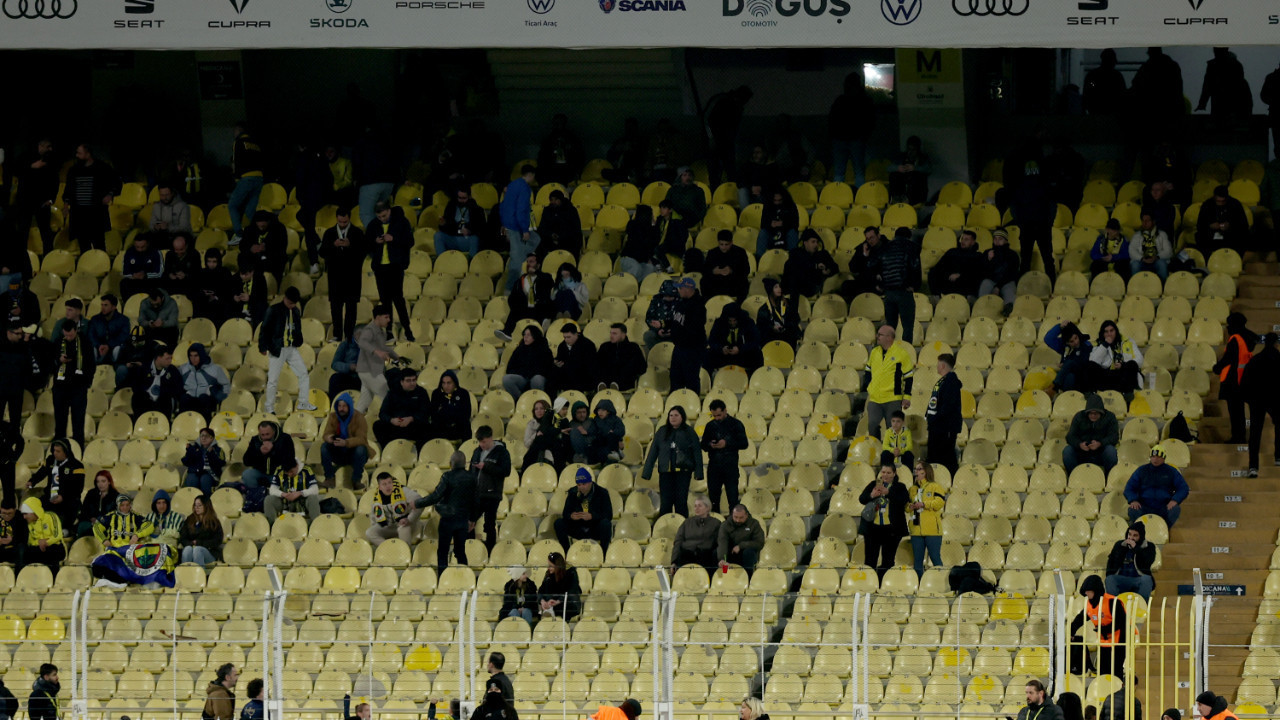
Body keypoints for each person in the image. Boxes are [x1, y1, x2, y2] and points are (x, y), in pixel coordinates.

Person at [416, 452, 475, 572]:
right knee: (460, 551)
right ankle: (465, 576)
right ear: (465, 463)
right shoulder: (472, 477)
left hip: (448, 520)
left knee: (443, 552)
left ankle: (442, 577)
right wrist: (473, 519)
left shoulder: (447, 476)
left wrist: (417, 503)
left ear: (451, 464)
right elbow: (476, 500)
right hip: (463, 519)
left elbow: (435, 497)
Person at [259, 287, 315, 415]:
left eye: (294, 304)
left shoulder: (295, 311)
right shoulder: (273, 310)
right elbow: (265, 329)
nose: (291, 306)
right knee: (273, 380)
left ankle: (303, 401)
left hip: (291, 348)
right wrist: (263, 347)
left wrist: (298, 341)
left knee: (303, 373)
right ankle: (269, 407)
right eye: (290, 303)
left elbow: (298, 328)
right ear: (285, 298)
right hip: (277, 348)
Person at [642, 406, 703, 518]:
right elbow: (653, 452)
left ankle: (682, 529)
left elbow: (697, 453)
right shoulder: (661, 432)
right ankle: (664, 529)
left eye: (676, 415)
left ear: (682, 417)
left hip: (683, 473)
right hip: (665, 473)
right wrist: (647, 472)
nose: (673, 418)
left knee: (681, 502)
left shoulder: (689, 432)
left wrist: (699, 473)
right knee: (665, 503)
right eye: (671, 415)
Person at [366, 201, 415, 341]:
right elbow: (367, 244)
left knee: (398, 299)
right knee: (385, 301)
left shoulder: (401, 221)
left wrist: (393, 239)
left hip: (396, 266)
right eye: (380, 217)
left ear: (389, 210)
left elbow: (410, 241)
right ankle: (388, 332)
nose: (382, 219)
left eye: (384, 215)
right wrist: (375, 242)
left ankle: (407, 330)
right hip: (380, 267)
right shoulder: (373, 225)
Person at [62, 143, 119, 253]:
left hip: (96, 214)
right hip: (79, 215)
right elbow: (68, 190)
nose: (77, 156)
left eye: (79, 153)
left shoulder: (102, 167)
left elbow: (116, 182)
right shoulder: (74, 170)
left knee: (99, 246)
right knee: (84, 247)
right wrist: (65, 206)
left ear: (88, 154)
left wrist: (109, 195)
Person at [320, 207, 366, 343]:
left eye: (345, 222)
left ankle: (349, 335)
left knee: (351, 307)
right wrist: (333, 245)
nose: (342, 224)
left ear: (349, 219)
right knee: (336, 307)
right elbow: (322, 252)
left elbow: (363, 252)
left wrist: (350, 245)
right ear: (336, 219)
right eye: (340, 222)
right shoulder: (329, 233)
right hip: (335, 276)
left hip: (352, 276)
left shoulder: (357, 233)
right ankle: (337, 335)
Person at [1070, 575, 1129, 676]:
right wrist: (1071, 631)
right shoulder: (1089, 605)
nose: (1086, 594)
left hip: (1119, 642)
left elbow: (1122, 621)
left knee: (1116, 671)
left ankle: (1118, 690)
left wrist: (1106, 629)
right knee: (1103, 671)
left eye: (1089, 591)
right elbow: (1080, 619)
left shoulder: (1113, 602)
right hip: (1104, 641)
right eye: (1086, 591)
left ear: (1096, 591)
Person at [859, 462, 909, 579]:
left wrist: (889, 493)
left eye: (888, 473)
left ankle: (883, 584)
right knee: (870, 559)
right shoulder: (873, 484)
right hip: (873, 528)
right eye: (883, 472)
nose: (885, 475)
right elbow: (862, 499)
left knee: (888, 560)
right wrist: (871, 495)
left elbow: (904, 500)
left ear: (894, 474)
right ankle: (870, 584)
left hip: (891, 530)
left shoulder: (900, 486)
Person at [863, 325, 914, 440]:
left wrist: (907, 397)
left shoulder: (901, 354)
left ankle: (892, 456)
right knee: (872, 425)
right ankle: (876, 451)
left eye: (880, 334)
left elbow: (908, 377)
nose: (877, 336)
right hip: (875, 399)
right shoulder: (874, 352)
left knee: (893, 430)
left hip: (893, 399)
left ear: (889, 338)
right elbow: (867, 370)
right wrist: (869, 386)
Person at [1214, 312, 1258, 444]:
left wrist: (1217, 367)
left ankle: (1237, 437)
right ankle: (1240, 435)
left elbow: (1229, 359)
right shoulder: (1249, 337)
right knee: (1239, 410)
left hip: (1233, 380)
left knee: (1235, 411)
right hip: (1244, 378)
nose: (1228, 327)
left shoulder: (1235, 338)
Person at [12, 138, 59, 255]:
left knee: (46, 233)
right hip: (25, 201)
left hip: (43, 202)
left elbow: (55, 181)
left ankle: (48, 258)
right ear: (41, 146)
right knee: (23, 231)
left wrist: (50, 199)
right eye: (48, 146)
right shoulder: (25, 157)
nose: (50, 149)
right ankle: (20, 257)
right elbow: (15, 170)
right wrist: (31, 167)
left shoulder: (51, 160)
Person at [27, 439, 84, 533]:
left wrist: (63, 497)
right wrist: (32, 482)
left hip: (68, 499)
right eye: (54, 450)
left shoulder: (77, 466)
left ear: (66, 452)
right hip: (50, 496)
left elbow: (78, 488)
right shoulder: (50, 460)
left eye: (58, 451)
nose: (55, 453)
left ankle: (66, 529)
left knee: (72, 506)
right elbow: (42, 473)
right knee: (34, 507)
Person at [1243, 332, 1280, 477]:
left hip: (1257, 401)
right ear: (1276, 344)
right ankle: (1278, 457)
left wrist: (1250, 400)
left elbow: (1245, 382)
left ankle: (1253, 466)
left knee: (1255, 433)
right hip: (1276, 400)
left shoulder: (1255, 360)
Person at [829, 71, 876, 185]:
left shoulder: (840, 100)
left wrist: (835, 135)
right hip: (856, 139)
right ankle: (859, 197)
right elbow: (870, 120)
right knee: (859, 171)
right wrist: (864, 136)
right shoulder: (865, 100)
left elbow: (832, 119)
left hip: (840, 139)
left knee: (839, 172)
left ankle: (838, 197)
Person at [51, 321, 93, 447]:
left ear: (76, 330)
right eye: (66, 335)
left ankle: (78, 449)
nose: (68, 337)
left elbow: (91, 364)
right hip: (60, 388)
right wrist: (59, 360)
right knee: (60, 422)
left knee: (78, 423)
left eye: (70, 335)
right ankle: (58, 450)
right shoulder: (58, 342)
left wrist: (86, 383)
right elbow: (50, 364)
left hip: (78, 387)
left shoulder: (85, 342)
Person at [1125, 444, 1188, 527]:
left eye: (1158, 457)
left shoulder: (1171, 471)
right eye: (1153, 456)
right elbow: (1129, 488)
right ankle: (1140, 529)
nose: (1155, 459)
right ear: (1150, 457)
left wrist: (1175, 500)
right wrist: (1133, 500)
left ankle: (1165, 529)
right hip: (1144, 505)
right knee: (1132, 509)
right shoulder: (1141, 470)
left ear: (1164, 458)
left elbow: (1183, 488)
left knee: (1175, 509)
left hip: (1164, 506)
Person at [876, 227, 922, 343]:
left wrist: (881, 285)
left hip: (889, 293)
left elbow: (874, 265)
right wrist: (915, 285)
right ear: (909, 236)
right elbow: (916, 267)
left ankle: (887, 354)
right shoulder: (912, 247)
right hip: (904, 292)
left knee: (890, 327)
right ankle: (906, 353)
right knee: (907, 327)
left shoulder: (885, 247)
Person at [701, 400, 748, 513]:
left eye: (719, 415)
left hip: (730, 466)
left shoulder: (736, 424)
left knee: (733, 500)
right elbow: (703, 444)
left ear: (725, 410)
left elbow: (744, 443)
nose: (716, 418)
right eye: (714, 415)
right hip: (714, 467)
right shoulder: (710, 426)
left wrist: (727, 443)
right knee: (713, 501)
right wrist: (710, 445)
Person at [471, 426, 511, 552]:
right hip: (477, 493)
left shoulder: (502, 452)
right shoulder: (476, 452)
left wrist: (486, 466)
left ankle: (490, 551)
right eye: (480, 442)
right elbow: (471, 472)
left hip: (492, 493)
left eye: (484, 442)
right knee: (469, 521)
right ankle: (471, 548)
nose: (482, 445)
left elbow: (506, 471)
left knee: (489, 524)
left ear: (490, 438)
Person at [553, 467, 612, 552]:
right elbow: (565, 513)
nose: (581, 487)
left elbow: (608, 514)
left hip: (594, 527)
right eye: (579, 485)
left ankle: (603, 553)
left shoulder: (602, 493)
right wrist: (571, 516)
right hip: (578, 527)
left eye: (584, 484)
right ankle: (567, 551)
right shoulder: (573, 492)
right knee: (558, 523)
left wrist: (592, 516)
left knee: (606, 524)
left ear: (590, 482)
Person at [500, 166, 540, 292]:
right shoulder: (524, 188)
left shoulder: (512, 185)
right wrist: (525, 230)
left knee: (536, 238)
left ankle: (519, 255)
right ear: (531, 175)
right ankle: (509, 290)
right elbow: (521, 210)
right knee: (516, 261)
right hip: (516, 226)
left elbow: (503, 206)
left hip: (509, 224)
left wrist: (504, 226)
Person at [353, 305, 398, 414]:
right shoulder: (369, 329)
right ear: (378, 317)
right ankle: (393, 424)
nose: (389, 320)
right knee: (387, 398)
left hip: (368, 371)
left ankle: (351, 425)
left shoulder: (380, 331)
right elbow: (363, 343)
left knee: (363, 403)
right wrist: (377, 352)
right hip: (370, 371)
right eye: (386, 317)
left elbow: (383, 347)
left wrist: (397, 356)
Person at [497, 253, 554, 340]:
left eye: (531, 262)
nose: (528, 264)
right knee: (515, 310)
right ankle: (507, 333)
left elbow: (550, 283)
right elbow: (512, 297)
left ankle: (539, 334)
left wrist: (536, 273)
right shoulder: (521, 280)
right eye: (527, 262)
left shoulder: (545, 277)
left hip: (539, 308)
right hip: (524, 308)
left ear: (538, 265)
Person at [321, 393, 369, 491]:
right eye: (339, 406)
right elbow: (325, 434)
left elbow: (361, 439)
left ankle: (356, 480)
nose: (341, 409)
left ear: (349, 407)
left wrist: (346, 442)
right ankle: (329, 478)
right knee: (324, 447)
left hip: (353, 452)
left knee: (361, 449)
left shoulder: (359, 417)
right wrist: (329, 438)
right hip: (338, 450)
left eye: (344, 406)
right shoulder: (333, 416)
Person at [924, 353, 963, 474]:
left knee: (946, 457)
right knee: (936, 457)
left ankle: (951, 479)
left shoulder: (950, 382)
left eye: (938, 364)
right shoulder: (944, 381)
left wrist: (934, 418)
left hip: (944, 428)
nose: (936, 366)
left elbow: (947, 406)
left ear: (942, 365)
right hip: (938, 427)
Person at [374, 368, 431, 448]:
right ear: (401, 382)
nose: (412, 383)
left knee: (427, 428)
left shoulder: (421, 392)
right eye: (408, 380)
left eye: (414, 380)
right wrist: (391, 420)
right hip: (396, 426)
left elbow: (426, 412)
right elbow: (382, 413)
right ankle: (388, 449)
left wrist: (411, 418)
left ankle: (417, 454)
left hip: (413, 426)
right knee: (378, 425)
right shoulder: (392, 393)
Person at [1063, 394, 1119, 474]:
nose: (1093, 415)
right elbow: (1070, 436)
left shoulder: (1110, 417)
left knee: (1111, 451)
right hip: (1082, 452)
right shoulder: (1079, 416)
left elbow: (1114, 437)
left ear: (1101, 412)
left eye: (1096, 413)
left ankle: (1109, 478)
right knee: (1067, 451)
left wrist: (1100, 444)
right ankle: (1073, 477)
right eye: (1090, 413)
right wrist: (1079, 444)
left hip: (1101, 452)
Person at [907, 460, 945, 577]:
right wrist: (910, 507)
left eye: (919, 469)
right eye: (916, 469)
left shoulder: (935, 486)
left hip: (932, 530)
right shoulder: (912, 489)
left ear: (926, 471)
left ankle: (941, 582)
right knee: (917, 561)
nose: (916, 472)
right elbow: (906, 507)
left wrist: (924, 504)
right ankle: (919, 585)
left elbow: (939, 503)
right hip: (916, 529)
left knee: (935, 558)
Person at [365, 472, 423, 547]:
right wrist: (375, 525)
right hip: (389, 525)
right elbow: (373, 515)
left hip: (406, 524)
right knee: (370, 532)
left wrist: (409, 519)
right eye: (384, 484)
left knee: (403, 529)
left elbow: (419, 502)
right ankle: (390, 549)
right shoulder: (377, 497)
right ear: (379, 487)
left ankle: (404, 552)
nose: (388, 486)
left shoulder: (402, 490)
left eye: (389, 483)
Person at [670, 278, 707, 393]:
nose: (678, 290)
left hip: (692, 349)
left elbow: (693, 329)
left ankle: (692, 404)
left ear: (687, 289)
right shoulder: (681, 302)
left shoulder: (698, 306)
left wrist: (679, 335)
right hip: (679, 347)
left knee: (691, 379)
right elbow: (676, 321)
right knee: (675, 378)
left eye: (680, 288)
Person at [1105, 521, 1156, 601]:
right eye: (1129, 534)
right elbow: (1111, 562)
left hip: (1138, 580)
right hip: (1121, 579)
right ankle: (1114, 607)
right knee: (1109, 579)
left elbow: (1147, 562)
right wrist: (1122, 548)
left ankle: (1141, 607)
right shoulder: (1119, 545)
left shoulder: (1149, 546)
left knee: (1147, 579)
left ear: (1141, 536)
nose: (1131, 538)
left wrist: (1136, 548)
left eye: (1135, 535)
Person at [706, 302, 763, 373]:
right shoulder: (719, 323)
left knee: (757, 354)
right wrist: (721, 349)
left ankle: (754, 377)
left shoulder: (748, 322)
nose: (732, 323)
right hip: (725, 354)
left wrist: (740, 349)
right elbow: (712, 341)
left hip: (742, 354)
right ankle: (709, 379)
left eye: (734, 320)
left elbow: (755, 341)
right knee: (707, 354)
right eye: (730, 321)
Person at [128, 345, 182, 419]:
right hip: (146, 401)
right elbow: (135, 387)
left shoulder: (173, 371)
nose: (170, 361)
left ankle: (164, 424)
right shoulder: (144, 368)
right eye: (167, 358)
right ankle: (139, 422)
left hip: (162, 402)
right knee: (138, 397)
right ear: (158, 358)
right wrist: (146, 396)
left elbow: (178, 388)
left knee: (166, 399)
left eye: (171, 358)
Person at [1196, 47, 1252, 119]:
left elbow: (1207, 86)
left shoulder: (1212, 66)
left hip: (1223, 104)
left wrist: (1202, 103)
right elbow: (1207, 86)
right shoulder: (1236, 65)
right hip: (1228, 105)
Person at [1090, 321, 1144, 395]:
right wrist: (1105, 345)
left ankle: (1128, 395)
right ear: (1103, 334)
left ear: (1116, 331)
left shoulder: (1128, 342)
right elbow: (1093, 361)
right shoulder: (1098, 344)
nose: (1109, 334)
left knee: (1132, 364)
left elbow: (1140, 360)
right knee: (1090, 366)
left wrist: (1123, 365)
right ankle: (1091, 395)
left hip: (1123, 375)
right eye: (1106, 332)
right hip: (1106, 377)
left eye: (1111, 331)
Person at [500, 325, 553, 400]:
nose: (525, 337)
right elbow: (510, 367)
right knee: (506, 379)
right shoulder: (519, 349)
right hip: (523, 377)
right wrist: (523, 372)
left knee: (537, 379)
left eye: (528, 335)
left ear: (535, 336)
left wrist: (531, 373)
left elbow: (547, 369)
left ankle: (537, 402)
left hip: (537, 377)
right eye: (524, 334)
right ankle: (521, 401)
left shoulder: (544, 350)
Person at [435, 185, 487, 258]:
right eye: (459, 198)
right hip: (453, 237)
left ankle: (471, 263)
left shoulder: (477, 209)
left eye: (464, 198)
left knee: (475, 238)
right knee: (438, 235)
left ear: (469, 197)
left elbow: (482, 228)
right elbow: (447, 227)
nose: (461, 200)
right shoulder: (451, 206)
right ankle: (442, 261)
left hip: (468, 239)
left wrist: (469, 231)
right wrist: (443, 224)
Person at [179, 343, 229, 420]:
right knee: (184, 398)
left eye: (196, 356)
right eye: (191, 356)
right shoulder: (183, 369)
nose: (193, 359)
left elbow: (226, 386)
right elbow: (176, 385)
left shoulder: (215, 369)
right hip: (190, 398)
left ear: (202, 355)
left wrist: (215, 394)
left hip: (207, 399)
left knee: (204, 398)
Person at [670, 495, 721, 570]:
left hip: (706, 555)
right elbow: (678, 541)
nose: (696, 508)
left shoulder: (716, 523)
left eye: (700, 506)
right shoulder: (687, 522)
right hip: (688, 554)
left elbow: (721, 542)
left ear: (707, 508)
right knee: (683, 555)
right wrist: (673, 562)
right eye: (695, 506)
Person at [1196, 185, 1249, 255]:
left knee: (1243, 238)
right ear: (1214, 197)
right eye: (1218, 201)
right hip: (1210, 236)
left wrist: (1230, 226)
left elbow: (1244, 225)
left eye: (1223, 201)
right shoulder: (1207, 205)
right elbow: (1200, 224)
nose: (1220, 204)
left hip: (1231, 236)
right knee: (1200, 237)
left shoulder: (1235, 204)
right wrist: (1210, 226)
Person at [242, 421, 297, 489]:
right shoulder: (255, 440)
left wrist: (272, 451)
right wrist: (260, 452)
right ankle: (256, 494)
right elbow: (246, 461)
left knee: (284, 480)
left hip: (278, 472)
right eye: (262, 435)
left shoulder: (285, 439)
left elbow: (290, 461)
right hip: (260, 471)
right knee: (247, 474)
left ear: (273, 432)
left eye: (267, 434)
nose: (265, 437)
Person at [928, 229, 982, 298]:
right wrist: (949, 274)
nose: (963, 241)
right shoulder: (952, 251)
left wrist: (960, 275)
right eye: (962, 238)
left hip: (964, 282)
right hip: (949, 279)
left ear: (973, 242)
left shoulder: (977, 255)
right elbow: (940, 266)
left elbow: (976, 272)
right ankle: (937, 298)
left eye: (966, 239)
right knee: (932, 272)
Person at [782, 229, 837, 297]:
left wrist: (828, 271)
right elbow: (797, 264)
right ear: (805, 243)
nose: (816, 244)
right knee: (790, 265)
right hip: (797, 283)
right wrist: (815, 266)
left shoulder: (823, 254)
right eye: (813, 242)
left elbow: (835, 267)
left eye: (817, 242)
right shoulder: (796, 252)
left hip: (812, 286)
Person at [1045, 321, 1095, 393]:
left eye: (1076, 338)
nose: (1075, 342)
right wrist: (1059, 327)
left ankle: (1054, 387)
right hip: (1069, 379)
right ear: (1067, 342)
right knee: (1070, 376)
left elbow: (1085, 362)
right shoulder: (1065, 347)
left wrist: (1066, 364)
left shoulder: (1087, 344)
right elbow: (1048, 339)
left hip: (1082, 378)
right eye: (1071, 341)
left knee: (1070, 363)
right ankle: (1067, 398)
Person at [595, 323, 647, 392]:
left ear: (623, 334)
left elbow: (642, 368)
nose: (611, 336)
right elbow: (597, 365)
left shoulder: (633, 347)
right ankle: (603, 387)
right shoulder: (605, 347)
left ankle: (614, 386)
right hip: (606, 380)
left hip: (625, 381)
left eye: (615, 334)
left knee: (629, 366)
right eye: (611, 333)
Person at [240, 211, 288, 284]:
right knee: (242, 257)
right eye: (259, 226)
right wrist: (251, 248)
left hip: (272, 259)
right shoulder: (249, 229)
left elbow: (282, 248)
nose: (261, 229)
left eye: (263, 226)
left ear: (268, 222)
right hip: (255, 259)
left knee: (278, 260)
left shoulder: (279, 229)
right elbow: (243, 245)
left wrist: (267, 248)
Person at [702, 230, 750, 302]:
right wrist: (714, 271)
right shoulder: (712, 253)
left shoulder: (740, 252)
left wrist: (731, 271)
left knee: (744, 282)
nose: (723, 247)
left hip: (733, 282)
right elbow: (705, 270)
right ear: (718, 243)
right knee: (704, 281)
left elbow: (746, 270)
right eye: (721, 244)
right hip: (717, 282)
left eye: (726, 244)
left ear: (731, 243)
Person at [619, 205, 663, 283]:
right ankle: (625, 286)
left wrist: (654, 227)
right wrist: (653, 227)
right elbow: (640, 245)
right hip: (629, 258)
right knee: (636, 269)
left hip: (643, 260)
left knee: (650, 269)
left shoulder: (651, 229)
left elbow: (654, 243)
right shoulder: (633, 225)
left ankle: (640, 290)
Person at [87, 294, 131, 371]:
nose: (103, 308)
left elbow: (123, 336)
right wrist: (99, 345)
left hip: (115, 347)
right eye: (102, 305)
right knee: (90, 348)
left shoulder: (123, 320)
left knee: (120, 348)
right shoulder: (95, 319)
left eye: (106, 305)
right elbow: (91, 335)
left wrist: (109, 346)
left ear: (113, 307)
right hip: (99, 348)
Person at [551, 323, 597, 395]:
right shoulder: (562, 345)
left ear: (576, 334)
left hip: (583, 376)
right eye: (564, 337)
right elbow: (560, 358)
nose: (566, 340)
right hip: (567, 375)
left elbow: (589, 365)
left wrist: (567, 365)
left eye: (568, 337)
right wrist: (556, 362)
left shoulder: (588, 345)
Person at [1128, 209, 1173, 281]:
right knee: (1135, 265)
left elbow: (1168, 251)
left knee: (1162, 265)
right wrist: (1142, 258)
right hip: (1142, 260)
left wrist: (1157, 257)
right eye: (1143, 221)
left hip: (1157, 260)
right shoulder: (1137, 235)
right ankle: (1135, 287)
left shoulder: (1162, 234)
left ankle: (1163, 287)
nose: (1145, 223)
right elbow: (1131, 250)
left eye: (1147, 221)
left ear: (1153, 221)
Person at [717, 504, 764, 572]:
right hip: (731, 553)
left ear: (746, 515)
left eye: (741, 517)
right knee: (716, 553)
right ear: (732, 515)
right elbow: (722, 542)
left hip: (746, 554)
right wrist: (722, 559)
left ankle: (748, 578)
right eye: (735, 517)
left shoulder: (754, 524)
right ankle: (722, 579)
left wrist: (741, 546)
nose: (738, 520)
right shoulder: (725, 525)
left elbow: (759, 542)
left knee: (749, 552)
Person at [428, 370, 472, 442]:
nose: (446, 386)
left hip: (458, 426)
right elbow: (433, 414)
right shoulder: (436, 393)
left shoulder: (463, 393)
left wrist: (449, 411)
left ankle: (465, 451)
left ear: (454, 383)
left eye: (449, 383)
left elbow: (466, 414)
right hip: (442, 427)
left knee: (466, 426)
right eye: (443, 383)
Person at [180, 494, 223, 568]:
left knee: (198, 550)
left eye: (199, 505)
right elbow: (183, 537)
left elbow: (217, 540)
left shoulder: (214, 522)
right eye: (195, 505)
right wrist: (190, 543)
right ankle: (185, 575)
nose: (196, 507)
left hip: (209, 552)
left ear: (206, 506)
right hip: (191, 549)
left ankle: (200, 577)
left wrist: (200, 543)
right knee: (187, 549)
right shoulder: (190, 519)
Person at [537, 190, 583, 258]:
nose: (553, 202)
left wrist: (561, 236)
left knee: (575, 238)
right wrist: (551, 234)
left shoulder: (571, 210)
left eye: (556, 200)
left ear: (561, 200)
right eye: (551, 200)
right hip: (551, 238)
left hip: (567, 239)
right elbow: (542, 227)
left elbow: (575, 228)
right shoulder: (547, 210)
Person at [19, 500, 64, 570]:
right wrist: (39, 542)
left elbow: (58, 535)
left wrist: (46, 542)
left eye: (26, 514)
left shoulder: (51, 516)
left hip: (54, 546)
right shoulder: (29, 524)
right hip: (39, 548)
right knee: (26, 554)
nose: (24, 517)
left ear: (34, 512)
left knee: (51, 554)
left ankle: (53, 578)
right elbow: (30, 542)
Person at [757, 278, 800, 349]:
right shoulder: (764, 309)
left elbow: (796, 319)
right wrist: (772, 328)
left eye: (780, 286)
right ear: (770, 290)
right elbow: (761, 327)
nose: (779, 289)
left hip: (787, 337)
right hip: (771, 338)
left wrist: (785, 326)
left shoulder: (788, 303)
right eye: (776, 287)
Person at [888, 135, 932, 205]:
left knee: (918, 176)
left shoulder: (923, 158)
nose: (910, 152)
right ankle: (896, 199)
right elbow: (889, 168)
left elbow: (929, 169)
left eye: (913, 150)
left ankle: (914, 201)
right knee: (894, 175)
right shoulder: (902, 156)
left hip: (917, 188)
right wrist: (898, 168)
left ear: (918, 149)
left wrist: (915, 168)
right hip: (902, 185)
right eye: (909, 149)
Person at [538, 551, 582, 620]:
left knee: (561, 607)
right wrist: (542, 601)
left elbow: (572, 592)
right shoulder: (549, 575)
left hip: (569, 604)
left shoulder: (571, 573)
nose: (548, 568)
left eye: (551, 566)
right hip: (553, 604)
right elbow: (541, 590)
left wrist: (558, 601)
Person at [756, 188, 800, 256]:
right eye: (775, 200)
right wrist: (771, 224)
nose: (777, 202)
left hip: (786, 232)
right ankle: (758, 259)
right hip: (771, 232)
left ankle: (793, 258)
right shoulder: (767, 206)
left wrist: (783, 223)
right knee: (762, 233)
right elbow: (763, 224)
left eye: (779, 200)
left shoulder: (791, 206)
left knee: (792, 233)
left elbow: (795, 224)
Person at [183, 428, 227, 495]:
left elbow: (220, 463)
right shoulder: (194, 448)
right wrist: (189, 452)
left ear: (212, 438)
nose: (203, 438)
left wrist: (211, 454)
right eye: (202, 436)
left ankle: (206, 502)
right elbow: (186, 462)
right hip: (195, 472)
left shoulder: (217, 450)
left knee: (205, 479)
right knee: (192, 478)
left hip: (210, 473)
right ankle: (191, 500)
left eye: (206, 436)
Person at [76, 471, 120, 538]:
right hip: (90, 523)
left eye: (103, 481)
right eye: (98, 481)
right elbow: (84, 511)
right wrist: (91, 518)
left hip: (107, 525)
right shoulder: (91, 493)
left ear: (109, 482)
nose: (100, 484)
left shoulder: (116, 496)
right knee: (82, 526)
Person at [582, 399, 625, 465]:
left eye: (603, 410)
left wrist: (613, 432)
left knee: (611, 436)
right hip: (601, 441)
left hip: (612, 442)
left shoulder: (616, 420)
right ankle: (594, 463)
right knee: (592, 445)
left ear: (608, 411)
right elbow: (592, 430)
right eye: (598, 410)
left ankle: (614, 453)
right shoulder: (596, 420)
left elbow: (621, 430)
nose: (600, 412)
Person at [1083, 49, 1126, 115]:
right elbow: (1122, 94)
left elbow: (1090, 89)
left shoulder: (1093, 76)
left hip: (1096, 111)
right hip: (1113, 113)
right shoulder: (1117, 76)